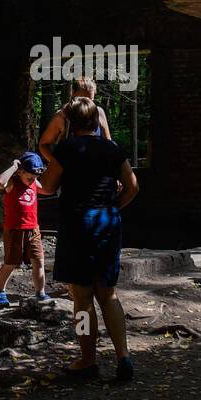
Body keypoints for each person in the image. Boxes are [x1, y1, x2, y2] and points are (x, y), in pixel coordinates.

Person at [38, 97, 139, 382]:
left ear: (70, 123)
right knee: (108, 294)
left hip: (77, 225)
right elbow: (132, 186)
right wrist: (113, 207)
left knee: (82, 297)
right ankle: (124, 358)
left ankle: (87, 359)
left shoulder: (66, 149)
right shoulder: (112, 149)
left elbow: (47, 187)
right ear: (96, 120)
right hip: (107, 223)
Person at [0, 152, 50, 307]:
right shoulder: (12, 182)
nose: (33, 180)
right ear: (20, 171)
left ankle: (40, 293)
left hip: (33, 229)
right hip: (14, 230)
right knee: (11, 262)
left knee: (38, 261)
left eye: (35, 177)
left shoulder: (33, 182)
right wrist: (14, 166)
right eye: (30, 177)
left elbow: (47, 190)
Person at [38, 76, 112, 163]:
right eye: (82, 99)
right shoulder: (62, 117)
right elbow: (43, 145)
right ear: (73, 93)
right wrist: (58, 165)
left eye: (90, 100)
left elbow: (109, 144)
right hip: (69, 174)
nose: (86, 104)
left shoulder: (99, 113)